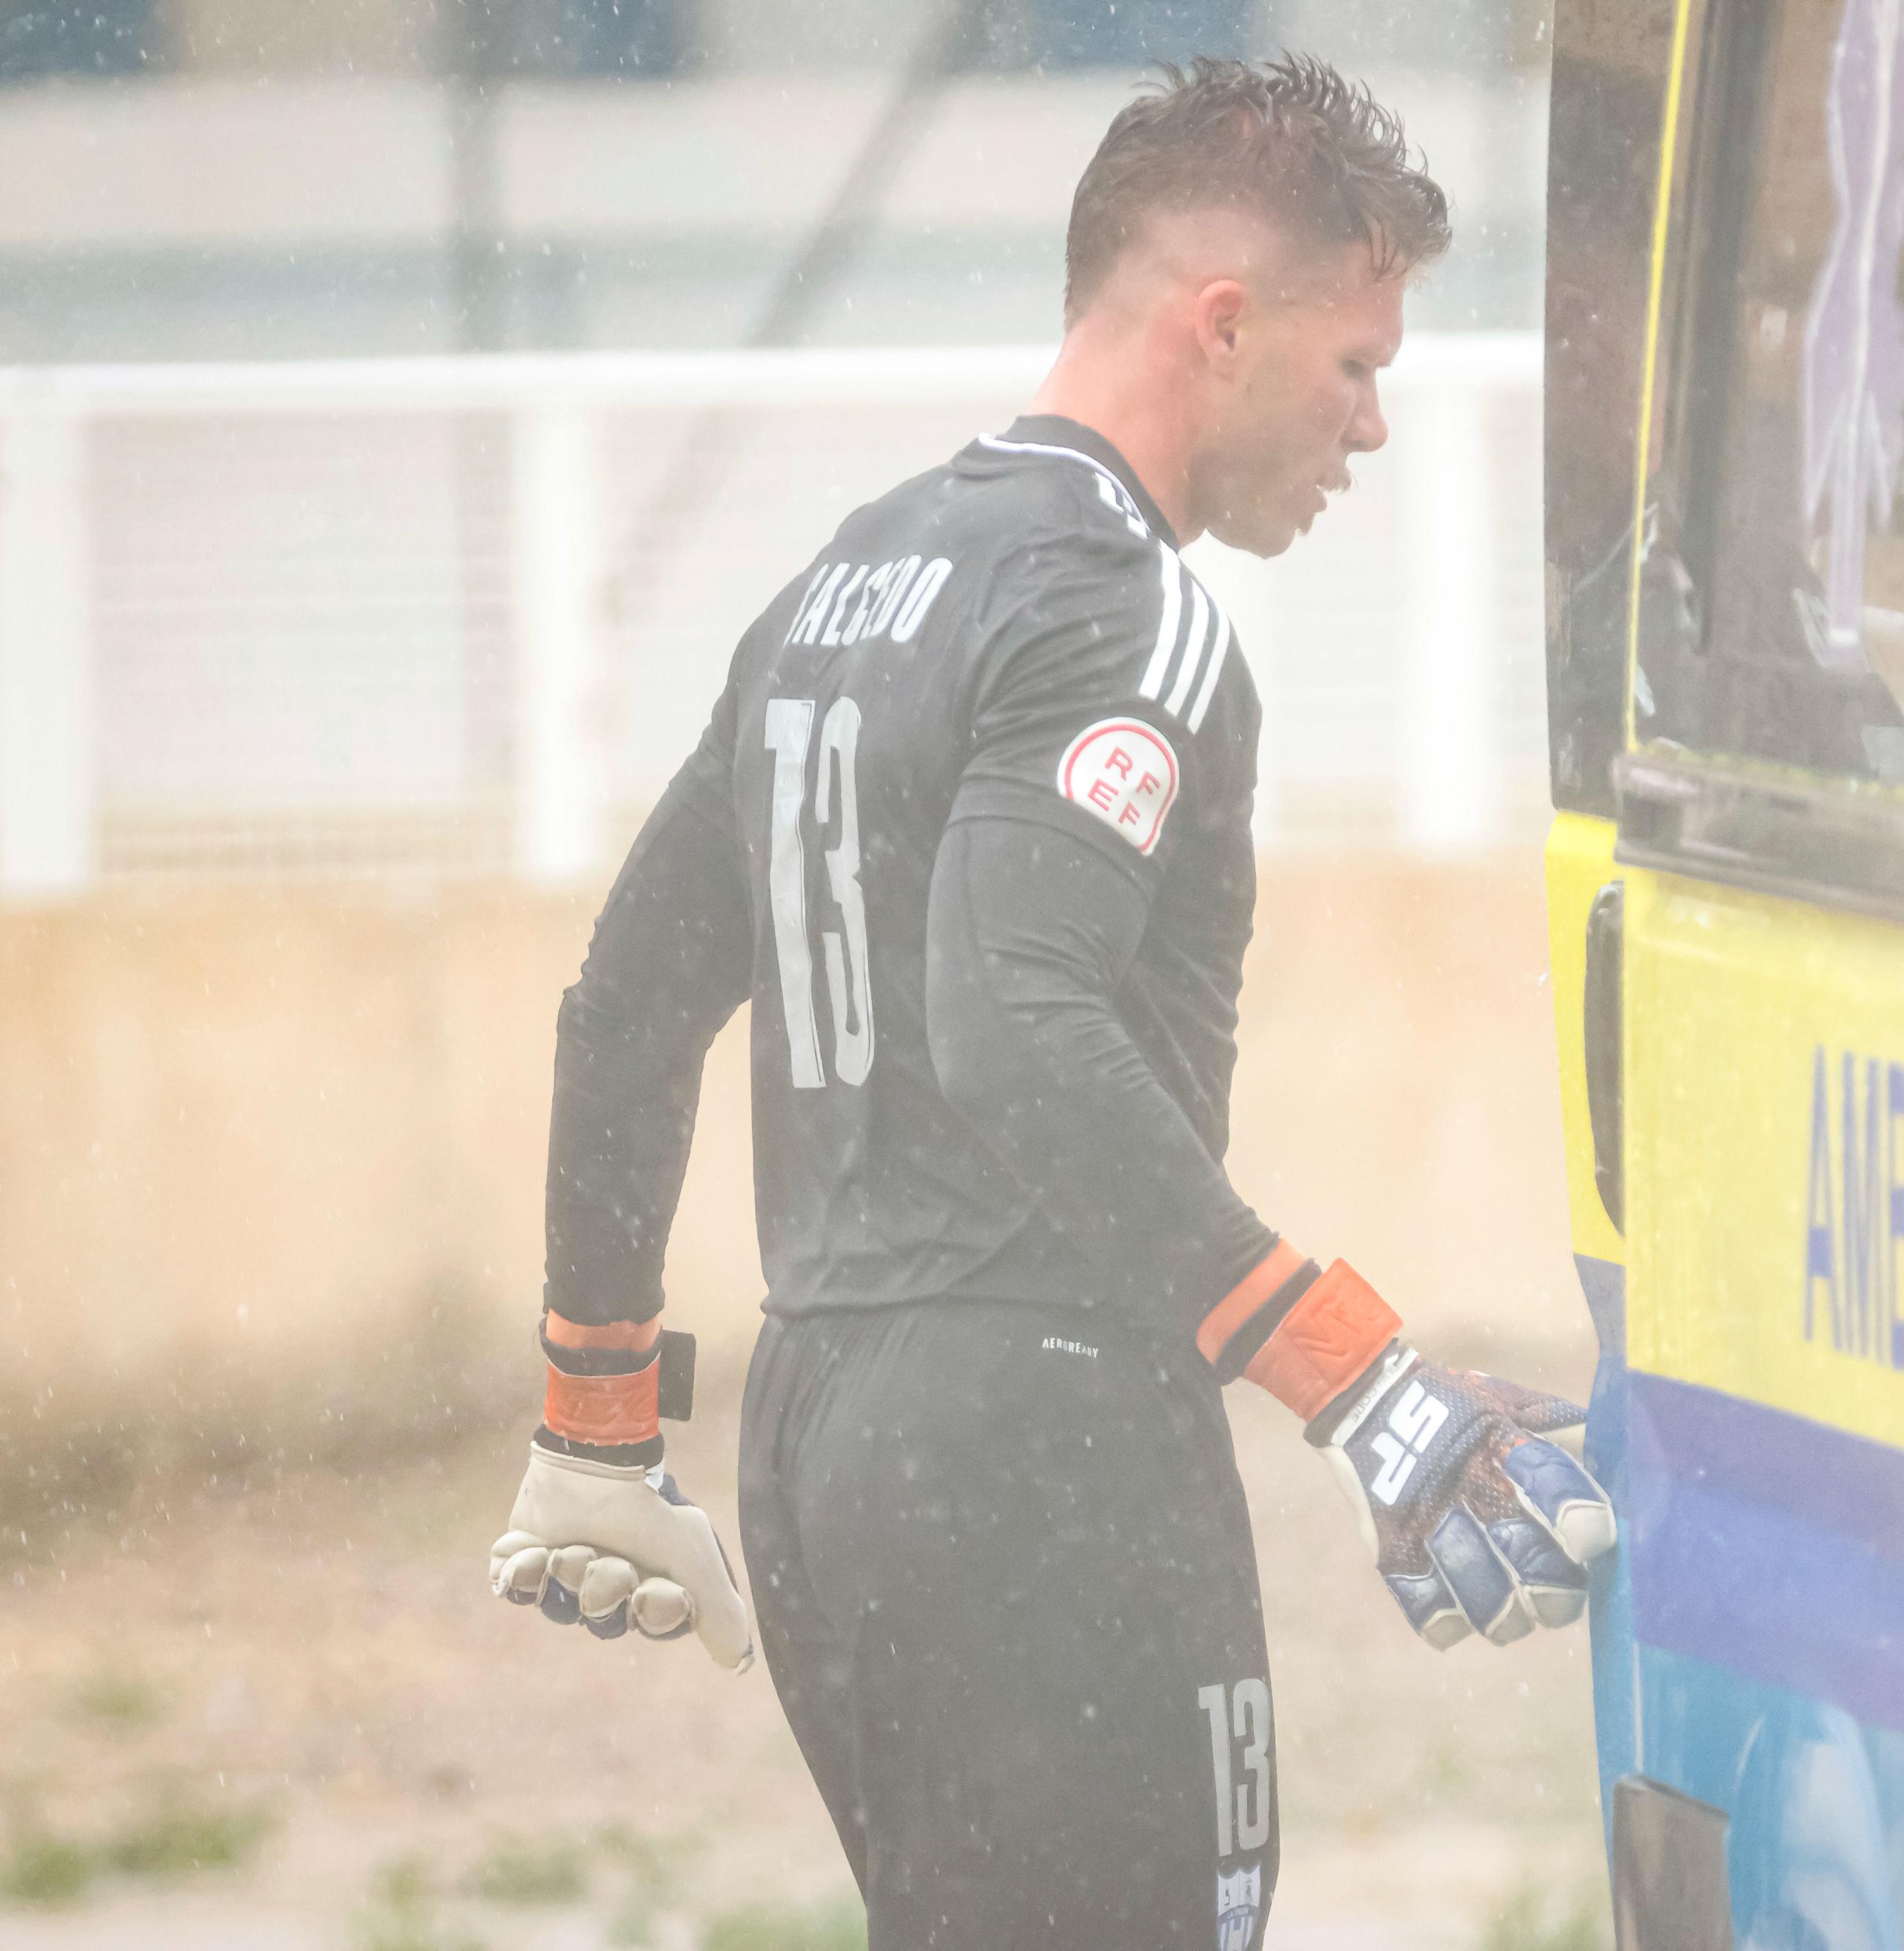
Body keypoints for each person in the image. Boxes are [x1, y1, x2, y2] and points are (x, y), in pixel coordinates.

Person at [482, 55, 1614, 1951]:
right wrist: (1364, 1389)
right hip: (1045, 1450)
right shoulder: (1121, 605)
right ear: (1225, 325)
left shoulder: (842, 584)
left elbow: (624, 1007)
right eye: (1359, 369)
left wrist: (598, 1410)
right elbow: (1013, 1015)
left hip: (825, 1436)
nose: (1374, 430)